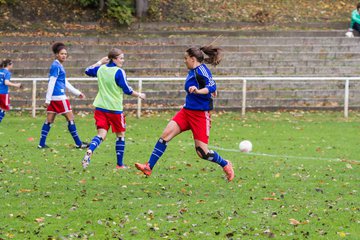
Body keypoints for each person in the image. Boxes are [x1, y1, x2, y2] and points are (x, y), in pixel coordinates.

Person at [135, 46, 235, 182]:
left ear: (193, 59)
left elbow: (212, 86)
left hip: (200, 116)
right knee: (165, 136)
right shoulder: (194, 70)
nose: (184, 61)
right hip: (186, 112)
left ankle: (225, 163)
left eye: (185, 58)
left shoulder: (201, 71)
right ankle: (149, 167)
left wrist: (200, 91)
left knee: (202, 153)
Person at [82, 48, 146, 169]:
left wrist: (100, 62)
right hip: (114, 109)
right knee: (120, 135)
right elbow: (127, 90)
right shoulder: (119, 72)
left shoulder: (101, 69)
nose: (122, 60)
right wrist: (139, 95)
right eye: (121, 58)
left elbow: (87, 71)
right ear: (114, 59)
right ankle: (120, 164)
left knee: (101, 134)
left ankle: (90, 149)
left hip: (100, 107)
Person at [38, 42, 88, 149]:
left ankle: (41, 144)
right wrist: (47, 100)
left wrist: (77, 92)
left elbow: (64, 82)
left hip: (53, 98)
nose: (64, 55)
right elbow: (51, 82)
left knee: (49, 120)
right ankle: (79, 144)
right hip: (59, 97)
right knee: (70, 119)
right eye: (62, 53)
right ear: (56, 54)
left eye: (65, 54)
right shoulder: (56, 66)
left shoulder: (58, 65)